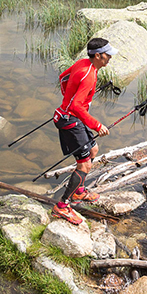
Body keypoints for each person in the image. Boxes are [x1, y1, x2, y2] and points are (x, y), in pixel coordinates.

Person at [50, 37, 117, 225]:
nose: (110, 57)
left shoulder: (84, 63)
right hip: (69, 120)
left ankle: (79, 191)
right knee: (84, 165)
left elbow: (63, 77)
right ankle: (62, 206)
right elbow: (78, 107)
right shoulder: (89, 74)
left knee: (93, 151)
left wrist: (68, 98)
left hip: (70, 116)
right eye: (107, 55)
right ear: (98, 56)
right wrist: (97, 125)